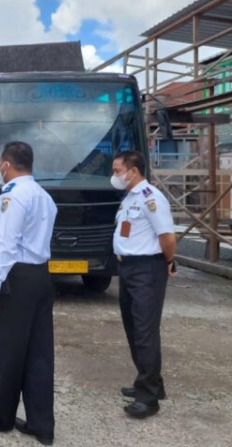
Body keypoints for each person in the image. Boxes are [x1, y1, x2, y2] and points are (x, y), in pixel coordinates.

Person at [0, 141, 57, 446]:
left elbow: (5, 244)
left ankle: (1, 416)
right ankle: (41, 424)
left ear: (6, 164)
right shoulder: (43, 196)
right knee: (38, 354)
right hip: (40, 277)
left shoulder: (13, 197)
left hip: (14, 279)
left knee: (5, 351)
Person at [110, 150, 176, 419]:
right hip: (128, 268)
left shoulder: (151, 198)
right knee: (134, 328)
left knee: (145, 332)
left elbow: (168, 237)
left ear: (133, 171)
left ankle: (148, 399)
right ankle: (152, 384)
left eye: (116, 170)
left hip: (146, 269)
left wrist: (168, 262)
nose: (114, 176)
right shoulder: (131, 197)